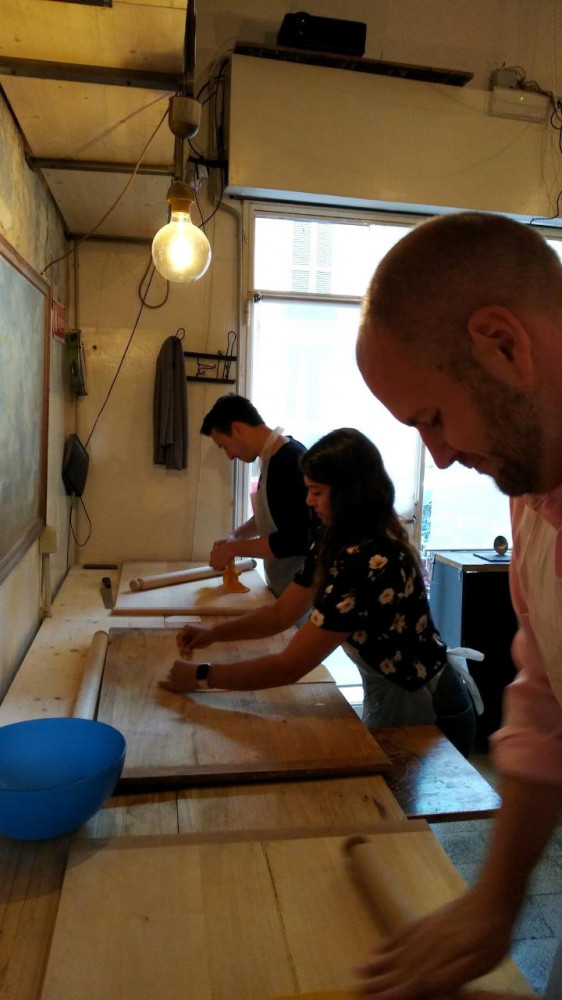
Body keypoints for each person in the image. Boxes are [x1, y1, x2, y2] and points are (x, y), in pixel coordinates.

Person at [355, 210, 562, 1000]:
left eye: (433, 419)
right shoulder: (531, 495)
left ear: (502, 343)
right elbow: (544, 707)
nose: (438, 455)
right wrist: (494, 903)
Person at [161, 427, 476, 757]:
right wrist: (211, 634)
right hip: (393, 689)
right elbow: (281, 613)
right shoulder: (334, 537)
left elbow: (289, 667)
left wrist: (202, 676)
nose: (308, 500)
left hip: (427, 703)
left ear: (349, 492)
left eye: (317, 491)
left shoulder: (369, 560)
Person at [200, 394, 314, 597]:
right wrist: (235, 537)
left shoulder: (290, 462)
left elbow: (295, 540)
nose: (229, 456)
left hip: (301, 595)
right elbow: (272, 517)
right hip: (281, 587)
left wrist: (234, 549)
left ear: (238, 429)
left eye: (225, 446)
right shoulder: (271, 459)